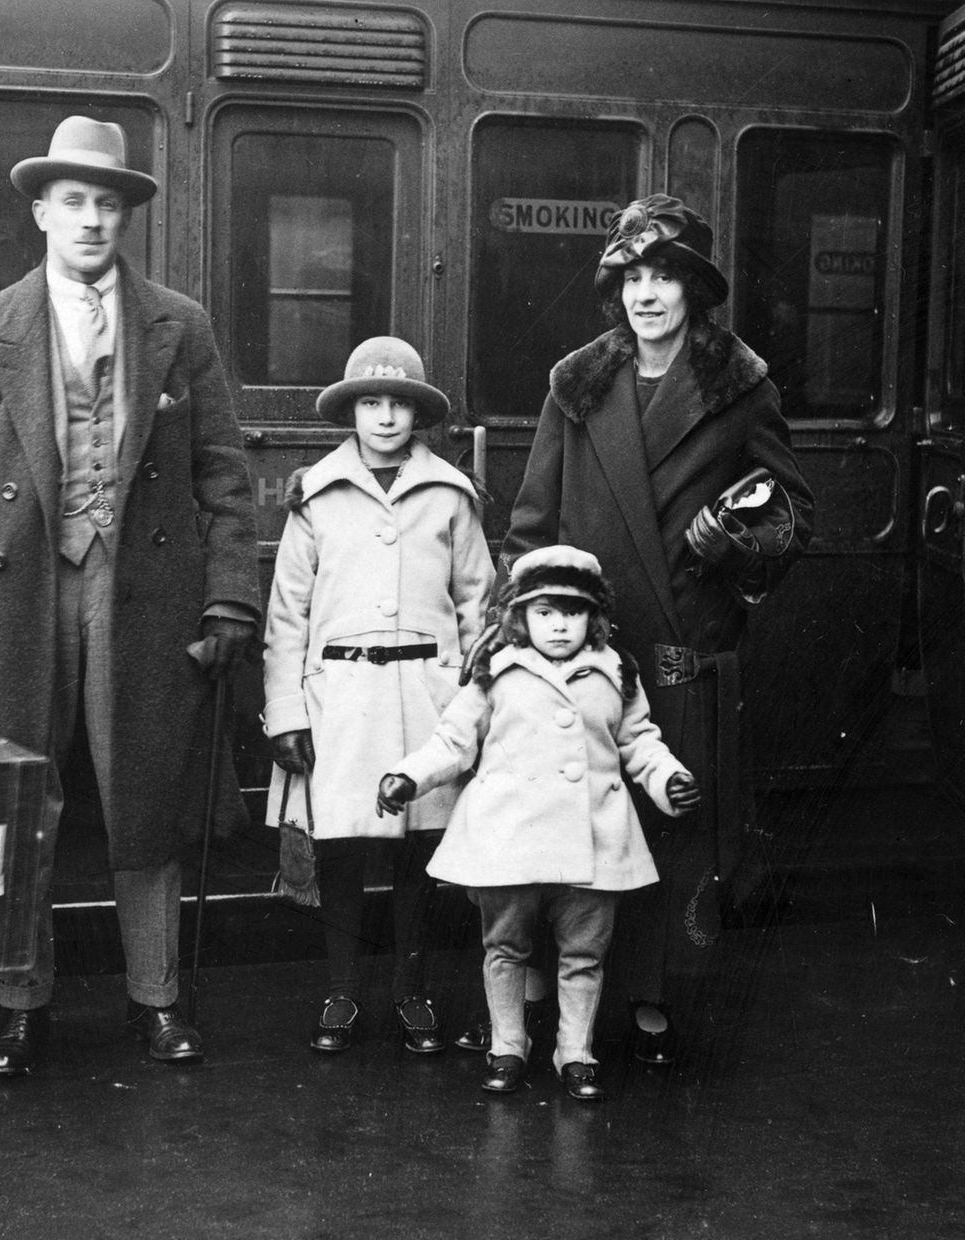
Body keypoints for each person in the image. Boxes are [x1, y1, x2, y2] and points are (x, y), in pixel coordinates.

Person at [0, 116, 260, 1077]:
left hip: (143, 589)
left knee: (143, 796)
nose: (92, 219)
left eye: (107, 203)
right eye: (74, 202)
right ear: (40, 213)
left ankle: (157, 1000)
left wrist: (230, 599)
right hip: (13, 593)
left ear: (124, 216)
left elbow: (225, 476)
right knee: (20, 798)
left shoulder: (178, 323)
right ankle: (22, 1008)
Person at [493, 194, 814, 1063]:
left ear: (692, 291)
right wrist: (520, 634)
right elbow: (532, 523)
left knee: (669, 829)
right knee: (569, 826)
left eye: (665, 276)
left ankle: (653, 993)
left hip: (680, 654)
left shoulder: (741, 386)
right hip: (582, 653)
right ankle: (556, 998)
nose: (646, 293)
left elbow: (794, 511)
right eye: (631, 277)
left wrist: (736, 543)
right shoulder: (577, 384)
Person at [377, 546, 700, 1100]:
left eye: (573, 612)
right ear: (519, 615)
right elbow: (453, 741)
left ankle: (575, 1052)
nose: (558, 625)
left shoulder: (617, 672)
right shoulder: (494, 671)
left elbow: (640, 742)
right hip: (510, 839)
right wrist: (408, 777)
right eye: (544, 612)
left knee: (584, 955)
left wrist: (669, 779)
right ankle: (508, 1045)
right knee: (504, 948)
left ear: (594, 617)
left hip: (594, 837)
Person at [262, 336, 493, 1054]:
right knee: (341, 849)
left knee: (418, 850)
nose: (386, 417)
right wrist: (287, 711)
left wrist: (474, 706)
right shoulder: (316, 495)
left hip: (428, 695)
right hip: (340, 697)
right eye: (371, 403)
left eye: (399, 404)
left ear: (418, 414)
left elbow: (478, 606)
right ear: (352, 412)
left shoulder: (450, 495)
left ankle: (410, 990)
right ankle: (342, 991)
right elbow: (288, 614)